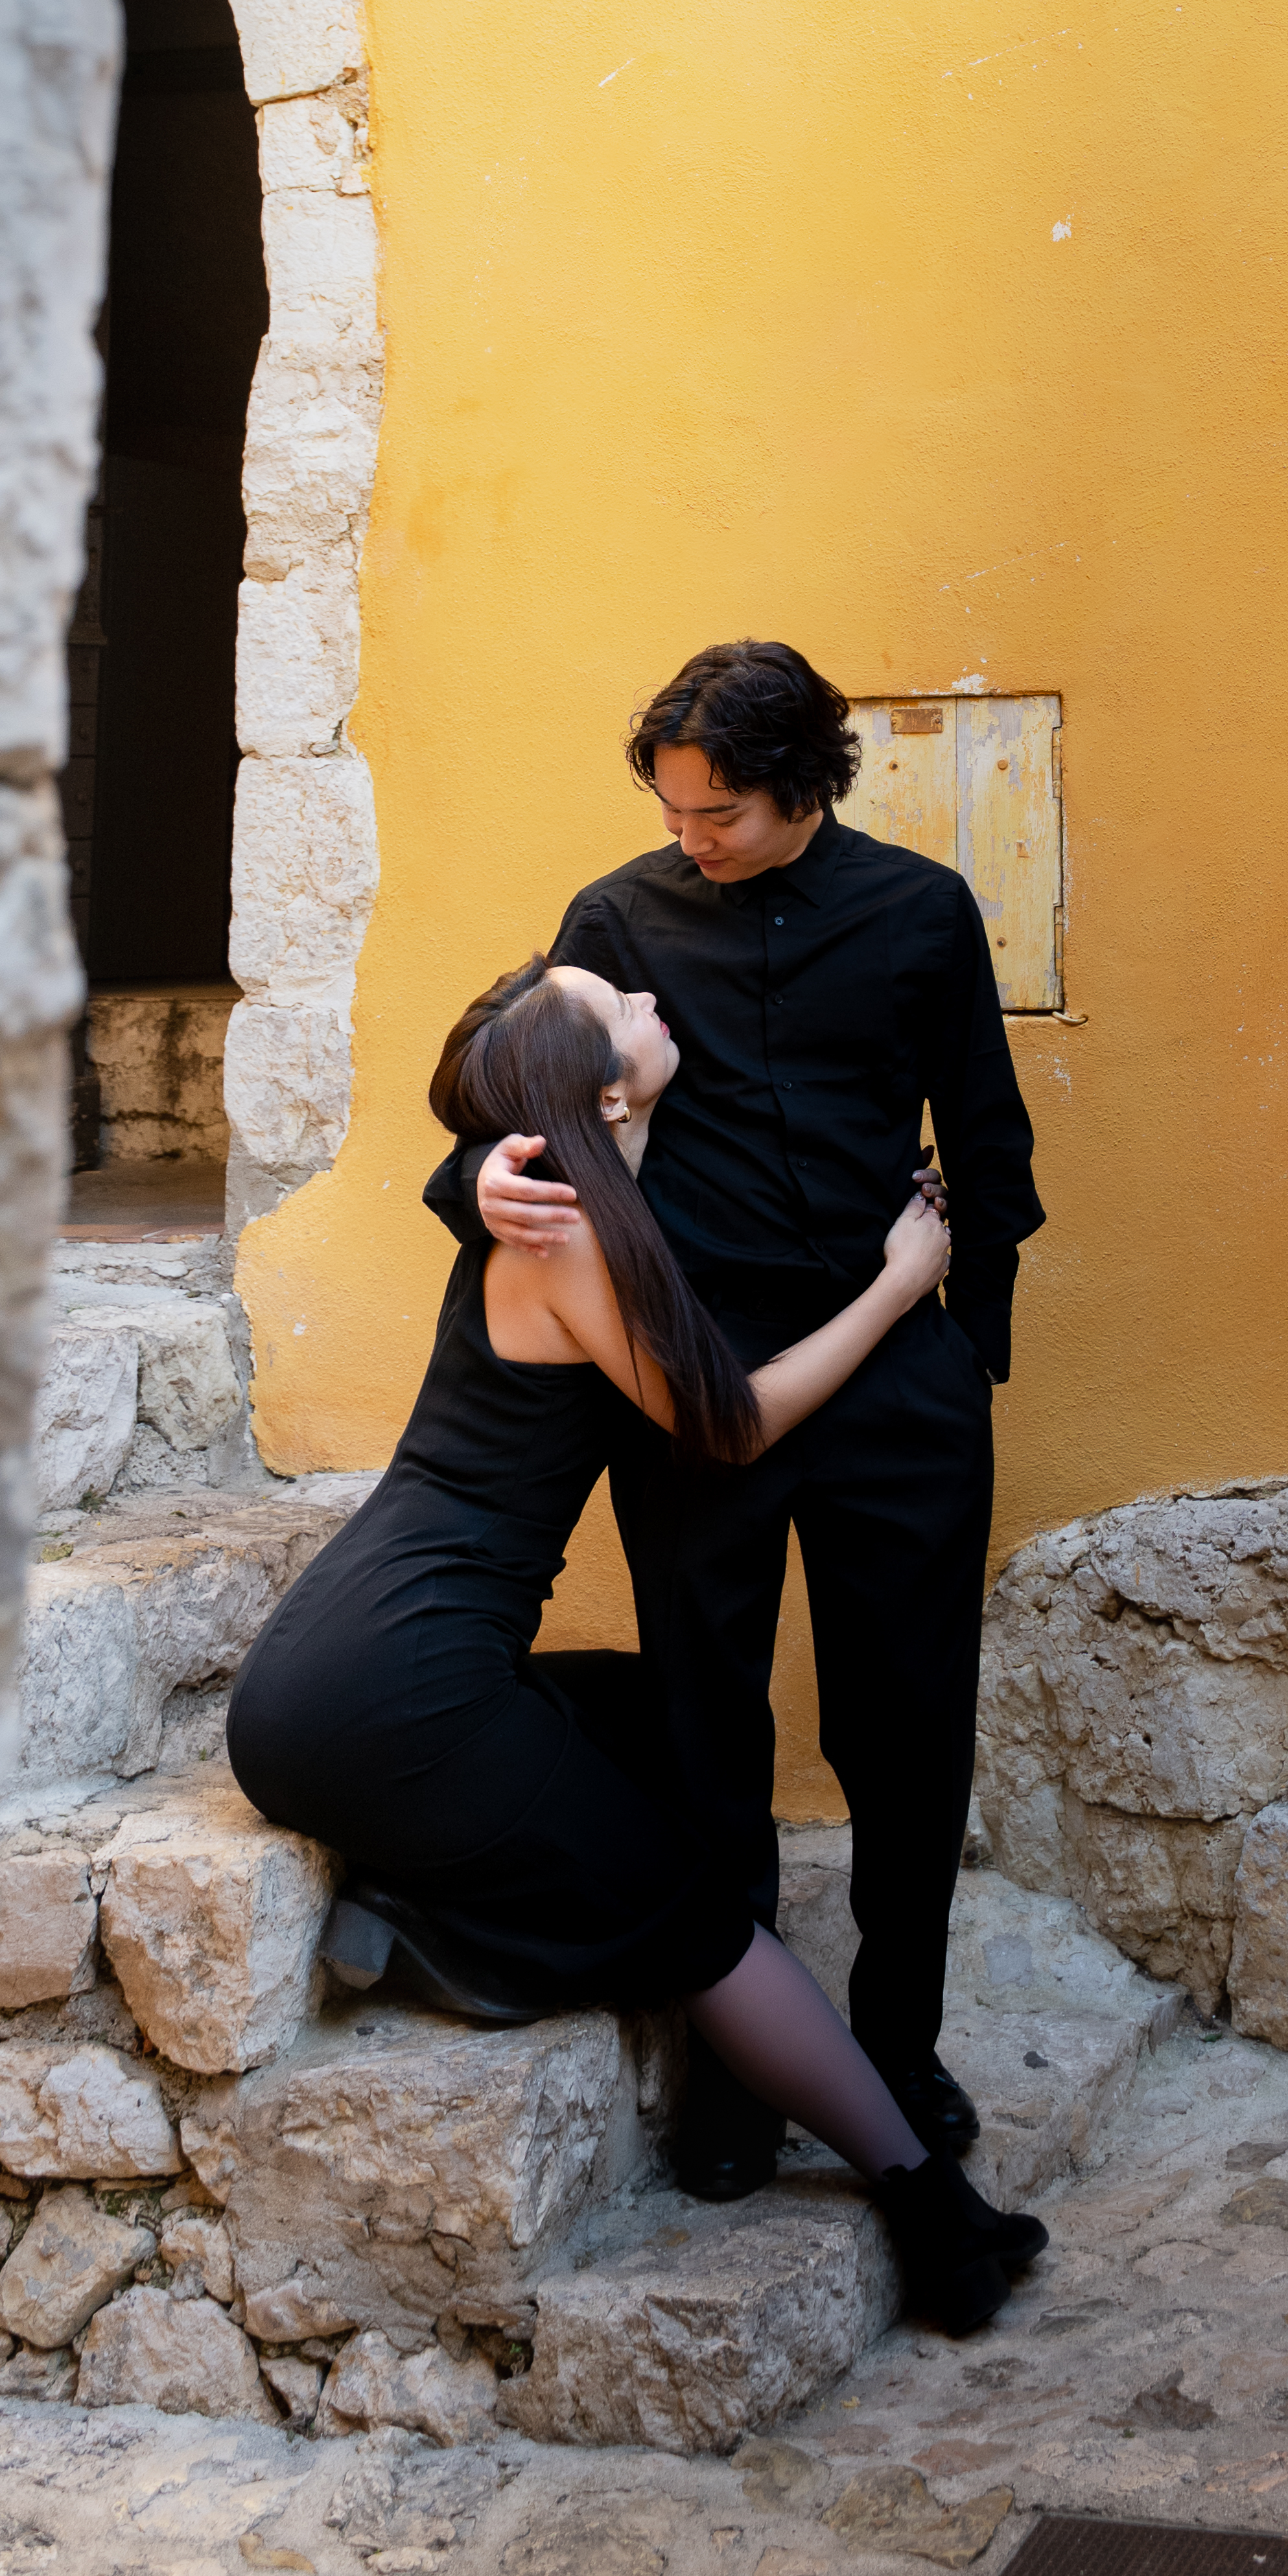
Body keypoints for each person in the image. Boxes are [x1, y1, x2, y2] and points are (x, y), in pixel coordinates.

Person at [227, 961, 1036, 2335]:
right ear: (605, 1096)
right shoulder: (565, 1237)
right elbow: (735, 1423)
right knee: (701, 1921)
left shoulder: (573, 1195)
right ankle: (930, 2212)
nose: (655, 1004)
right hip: (397, 1690)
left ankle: (440, 1914)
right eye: (626, 1012)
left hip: (350, 1661)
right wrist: (902, 1283)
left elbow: (518, 1110)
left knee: (675, 1733)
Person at [441, 640, 1044, 2201]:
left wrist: (961, 1358)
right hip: (696, 1383)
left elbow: (989, 1144)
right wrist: (485, 1181)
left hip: (891, 1378)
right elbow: (514, 1092)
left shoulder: (922, 912)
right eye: (672, 810)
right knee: (708, 1726)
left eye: (718, 814)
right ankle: (736, 2076)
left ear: (803, 789)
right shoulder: (617, 921)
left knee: (906, 1733)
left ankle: (896, 2047)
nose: (688, 837)